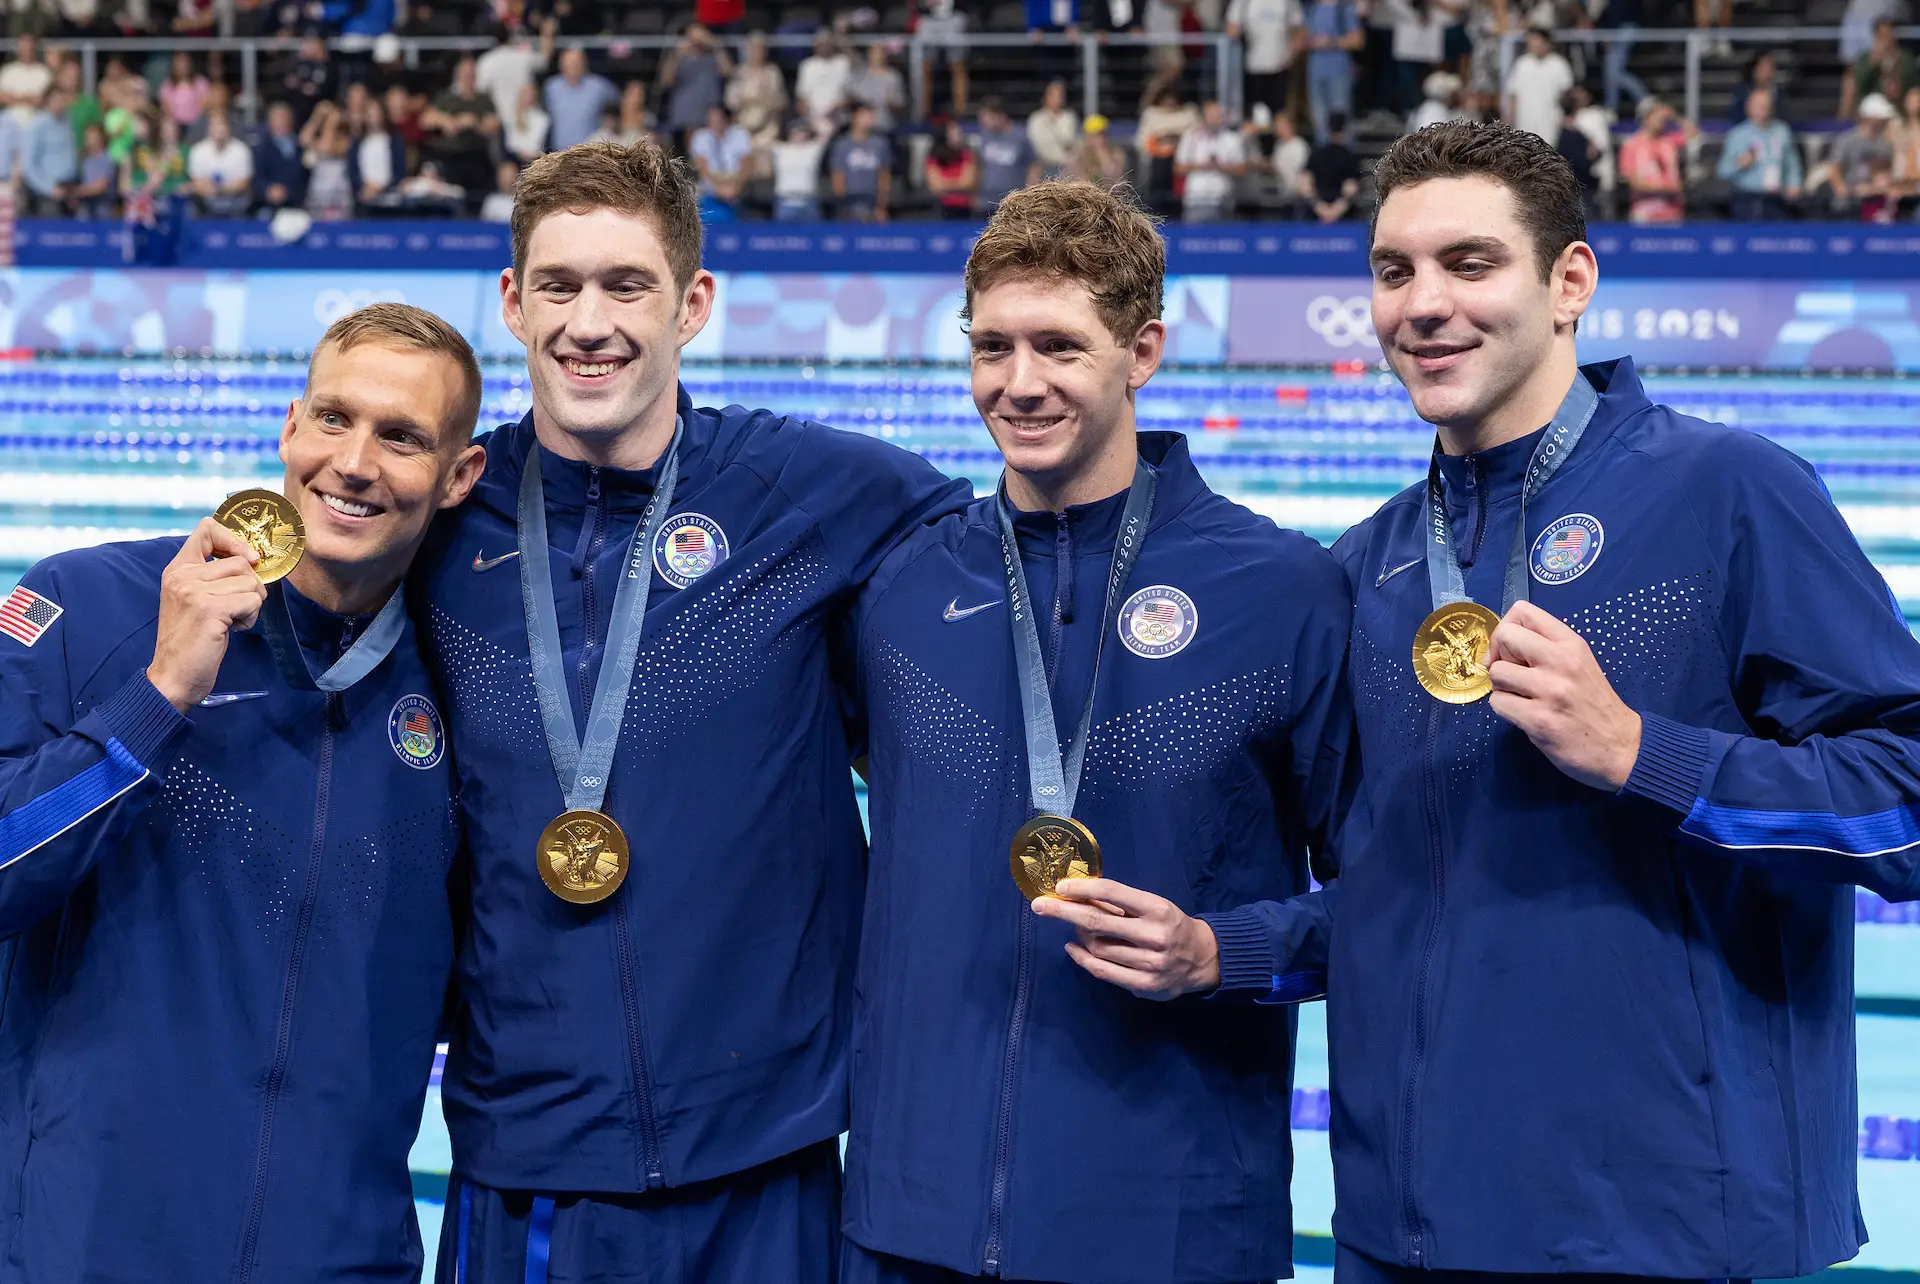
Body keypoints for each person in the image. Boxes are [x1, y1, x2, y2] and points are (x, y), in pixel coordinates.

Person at [1226, 115, 1920, 1284]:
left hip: (1653, 1225)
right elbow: (1387, 896)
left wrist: (1647, 754)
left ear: (1570, 282)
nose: (1424, 305)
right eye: (1394, 272)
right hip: (1403, 1226)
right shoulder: (1368, 567)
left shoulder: (1726, 492)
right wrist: (1219, 947)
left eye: (1470, 263)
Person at [416, 137, 972, 1284]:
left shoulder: (804, 491)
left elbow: (996, 575)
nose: (590, 323)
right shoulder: (444, 518)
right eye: (560, 286)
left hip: (768, 1153)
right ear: (513, 303)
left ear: (693, 304)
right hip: (531, 1155)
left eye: (628, 286)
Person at [837, 178, 1355, 1284]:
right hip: (909, 1221)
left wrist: (1222, 952)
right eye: (993, 347)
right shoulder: (900, 588)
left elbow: (1397, 902)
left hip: (1169, 1228)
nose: (1019, 383)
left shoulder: (1281, 591)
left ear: (1143, 350)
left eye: (1060, 347)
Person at [0, 303, 486, 1282]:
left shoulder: (463, 685)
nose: (354, 463)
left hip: (341, 1255)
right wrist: (157, 699)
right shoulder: (92, 604)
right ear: (291, 426)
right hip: (87, 1245)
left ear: (459, 475)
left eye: (401, 437)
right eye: (334, 419)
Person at [1718, 87, 1801, 220]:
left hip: (1777, 198)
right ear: (1748, 107)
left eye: (1766, 105)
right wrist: (1739, 164)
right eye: (1758, 105)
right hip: (1747, 198)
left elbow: (1792, 163)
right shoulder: (1737, 135)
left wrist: (1794, 184)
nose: (1762, 109)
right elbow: (1722, 171)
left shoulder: (1782, 131)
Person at [425, 55, 499, 197]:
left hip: (476, 155)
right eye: (465, 74)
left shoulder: (483, 99)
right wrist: (452, 121)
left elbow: (494, 124)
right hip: (450, 156)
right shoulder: (446, 98)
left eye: (471, 74)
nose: (468, 78)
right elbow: (427, 119)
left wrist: (474, 122)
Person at [1817, 91, 1897, 214]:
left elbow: (1887, 169)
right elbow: (1833, 169)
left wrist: (1876, 186)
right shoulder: (1847, 140)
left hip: (1876, 202)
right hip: (1849, 203)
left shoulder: (1885, 143)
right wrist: (1842, 188)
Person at [1617, 96, 1691, 224]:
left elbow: (1694, 134)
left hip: (1673, 212)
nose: (1661, 120)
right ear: (1645, 118)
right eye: (1656, 115)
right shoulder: (1632, 145)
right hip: (1645, 212)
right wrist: (1668, 188)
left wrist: (1674, 116)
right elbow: (1634, 183)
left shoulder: (1670, 140)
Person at [1227, 0, 1302, 122]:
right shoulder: (1242, 2)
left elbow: (1298, 29)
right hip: (1253, 67)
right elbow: (1231, 29)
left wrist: (1291, 57)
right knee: (1256, 114)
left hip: (1280, 66)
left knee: (1279, 114)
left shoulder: (1288, 2)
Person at [1174, 98, 1248, 221]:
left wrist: (1220, 166)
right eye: (1212, 116)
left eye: (1219, 116)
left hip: (1223, 199)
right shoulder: (1190, 137)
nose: (1216, 120)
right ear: (1204, 117)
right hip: (1196, 199)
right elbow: (1178, 168)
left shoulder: (1233, 139)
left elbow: (1242, 169)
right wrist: (1202, 165)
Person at [475, 14, 556, 126]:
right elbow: (545, 58)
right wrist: (547, 33)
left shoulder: (486, 61)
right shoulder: (523, 56)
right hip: (520, 121)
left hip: (504, 120)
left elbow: (479, 90)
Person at [660, 22, 732, 142]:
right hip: (685, 117)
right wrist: (676, 54)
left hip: (710, 118)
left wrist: (717, 46)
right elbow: (666, 81)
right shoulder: (679, 59)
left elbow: (728, 72)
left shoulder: (713, 58)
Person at [1302, 0, 1361, 143]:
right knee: (1318, 117)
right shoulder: (1311, 9)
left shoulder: (1344, 9)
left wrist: (1329, 42)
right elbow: (1302, 37)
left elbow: (1358, 40)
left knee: (1340, 117)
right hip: (1315, 71)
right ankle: (1324, 152)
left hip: (1338, 69)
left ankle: (1343, 152)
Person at [1502, 27, 1572, 144]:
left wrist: (1568, 115)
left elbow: (1567, 94)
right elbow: (1514, 95)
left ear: (1547, 43)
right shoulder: (1522, 64)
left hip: (1551, 122)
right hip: (1525, 122)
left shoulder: (1559, 64)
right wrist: (1508, 120)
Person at [1841, 17, 1919, 122]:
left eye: (1889, 33)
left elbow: (1915, 84)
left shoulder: (1906, 59)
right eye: (1882, 34)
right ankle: (1842, 121)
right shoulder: (1866, 58)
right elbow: (1859, 84)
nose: (1886, 37)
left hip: (1898, 107)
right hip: (1871, 107)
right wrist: (1873, 62)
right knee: (1850, 84)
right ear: (1876, 36)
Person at [544, 46, 620, 152]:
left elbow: (619, 104)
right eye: (569, 63)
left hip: (591, 150)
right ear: (561, 65)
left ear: (585, 64)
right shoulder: (552, 87)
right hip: (560, 151)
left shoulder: (600, 86)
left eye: (576, 62)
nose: (573, 66)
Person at [975, 97, 1042, 210]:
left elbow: (1034, 166)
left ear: (999, 115)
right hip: (986, 200)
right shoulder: (985, 137)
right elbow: (979, 166)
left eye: (987, 117)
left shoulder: (1021, 137)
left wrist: (1029, 194)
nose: (984, 122)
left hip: (1013, 201)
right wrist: (975, 194)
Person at [21, 86, 77, 216]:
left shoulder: (67, 120)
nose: (60, 103)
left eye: (62, 100)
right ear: (47, 101)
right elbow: (28, 165)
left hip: (69, 188)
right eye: (56, 100)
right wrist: (48, 188)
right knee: (52, 228)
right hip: (47, 192)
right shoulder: (36, 125)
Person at [830, 102, 892, 221]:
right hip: (849, 203)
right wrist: (844, 205)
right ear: (854, 117)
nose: (868, 120)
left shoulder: (879, 144)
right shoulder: (842, 145)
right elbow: (838, 177)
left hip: (872, 202)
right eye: (864, 116)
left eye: (870, 116)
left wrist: (882, 205)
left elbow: (884, 175)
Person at [688, 101, 753, 215]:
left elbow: (746, 164)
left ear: (726, 119)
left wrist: (736, 187)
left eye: (718, 119)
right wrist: (718, 189)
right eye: (711, 119)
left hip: (735, 186)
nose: (714, 122)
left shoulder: (740, 134)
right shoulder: (700, 137)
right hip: (709, 189)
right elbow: (702, 168)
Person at [187, 109, 252, 215]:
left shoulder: (241, 150)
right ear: (209, 129)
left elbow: (243, 183)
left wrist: (221, 189)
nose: (219, 129)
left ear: (229, 128)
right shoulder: (198, 150)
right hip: (206, 199)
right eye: (216, 126)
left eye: (222, 125)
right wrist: (209, 189)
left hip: (235, 199)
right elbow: (196, 182)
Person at [725, 31, 788, 141]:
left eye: (760, 48)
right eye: (752, 48)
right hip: (742, 126)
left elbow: (781, 102)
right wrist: (751, 99)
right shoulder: (739, 73)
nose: (756, 52)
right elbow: (731, 103)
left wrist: (763, 99)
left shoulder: (773, 72)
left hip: (767, 126)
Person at [915, 0, 971, 115]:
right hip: (928, 19)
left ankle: (960, 110)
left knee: (957, 66)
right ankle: (923, 111)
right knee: (925, 68)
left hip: (954, 17)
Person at [1301, 109, 1359, 221]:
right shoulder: (1350, 157)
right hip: (1344, 219)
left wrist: (1320, 207)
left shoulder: (1315, 154)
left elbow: (1305, 186)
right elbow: (1351, 189)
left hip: (1316, 216)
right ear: (1346, 130)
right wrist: (1335, 211)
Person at [252, 99, 309, 212]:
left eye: (284, 118)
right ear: (269, 122)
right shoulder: (260, 149)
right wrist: (268, 189)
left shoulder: (301, 145)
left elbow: (306, 174)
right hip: (269, 206)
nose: (281, 122)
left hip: (298, 203)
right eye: (277, 118)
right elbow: (256, 177)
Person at [1593, 0, 1647, 118]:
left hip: (1626, 27)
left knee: (1613, 70)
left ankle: (1642, 98)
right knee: (1612, 69)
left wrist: (1609, 33)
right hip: (1622, 27)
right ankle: (1641, 99)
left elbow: (1618, 10)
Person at [771, 113, 830, 220]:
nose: (799, 134)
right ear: (789, 133)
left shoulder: (813, 149)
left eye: (802, 131)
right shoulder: (780, 149)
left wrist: (810, 118)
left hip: (808, 199)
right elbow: (758, 141)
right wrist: (774, 129)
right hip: (785, 199)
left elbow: (827, 130)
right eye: (796, 131)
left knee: (812, 230)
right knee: (782, 230)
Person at [795, 30, 853, 126]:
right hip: (814, 118)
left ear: (833, 45)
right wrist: (810, 116)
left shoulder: (843, 62)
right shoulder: (807, 65)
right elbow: (801, 97)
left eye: (827, 44)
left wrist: (838, 106)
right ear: (815, 46)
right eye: (821, 44)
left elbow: (850, 94)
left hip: (839, 116)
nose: (824, 47)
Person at [848, 42, 908, 133]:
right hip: (862, 126)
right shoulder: (860, 74)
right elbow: (851, 95)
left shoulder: (893, 76)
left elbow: (900, 104)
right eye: (874, 54)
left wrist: (892, 102)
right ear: (869, 55)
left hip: (885, 124)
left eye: (880, 54)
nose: (877, 57)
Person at [353, 98, 404, 202]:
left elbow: (400, 170)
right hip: (364, 195)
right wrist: (365, 186)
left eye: (376, 112)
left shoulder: (394, 140)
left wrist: (382, 188)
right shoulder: (357, 143)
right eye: (369, 112)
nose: (373, 116)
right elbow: (353, 171)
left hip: (390, 195)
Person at [926, 116, 978, 217]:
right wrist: (958, 184)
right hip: (941, 207)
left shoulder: (967, 155)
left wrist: (945, 185)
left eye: (959, 131)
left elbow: (968, 183)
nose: (959, 134)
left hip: (965, 207)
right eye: (954, 131)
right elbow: (935, 186)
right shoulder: (934, 157)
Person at [1026, 78, 1078, 178]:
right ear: (1046, 97)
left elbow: (1068, 142)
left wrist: (1053, 123)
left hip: (1064, 164)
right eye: (1056, 95)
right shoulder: (1036, 118)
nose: (1059, 99)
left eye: (1061, 95)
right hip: (1042, 163)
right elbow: (1034, 144)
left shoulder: (1069, 117)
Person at [0, 33, 52, 127]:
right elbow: (2, 98)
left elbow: (43, 100)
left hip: (36, 121)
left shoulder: (44, 72)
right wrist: (28, 98)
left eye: (29, 48)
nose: (27, 51)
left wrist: (15, 97)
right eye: (24, 48)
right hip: (9, 121)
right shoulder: (7, 70)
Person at [1069, 112, 1129, 189]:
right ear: (1087, 137)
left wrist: (1106, 160)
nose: (1101, 139)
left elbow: (1120, 185)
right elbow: (1070, 183)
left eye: (1103, 135)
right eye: (1095, 135)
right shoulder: (1078, 158)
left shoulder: (1117, 155)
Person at [158, 50, 211, 130]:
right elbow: (166, 108)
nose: (182, 65)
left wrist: (195, 125)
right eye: (179, 62)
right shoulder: (167, 85)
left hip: (196, 125)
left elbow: (203, 106)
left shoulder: (200, 82)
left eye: (185, 62)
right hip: (175, 126)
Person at [503, 79, 551, 164]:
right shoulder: (510, 117)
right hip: (514, 159)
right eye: (525, 95)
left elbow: (541, 145)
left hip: (536, 159)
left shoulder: (543, 119)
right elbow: (509, 145)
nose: (528, 98)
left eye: (531, 95)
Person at [481, 156, 519, 221]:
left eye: (510, 176)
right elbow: (485, 224)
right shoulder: (491, 201)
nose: (506, 181)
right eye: (503, 177)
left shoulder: (522, 200)